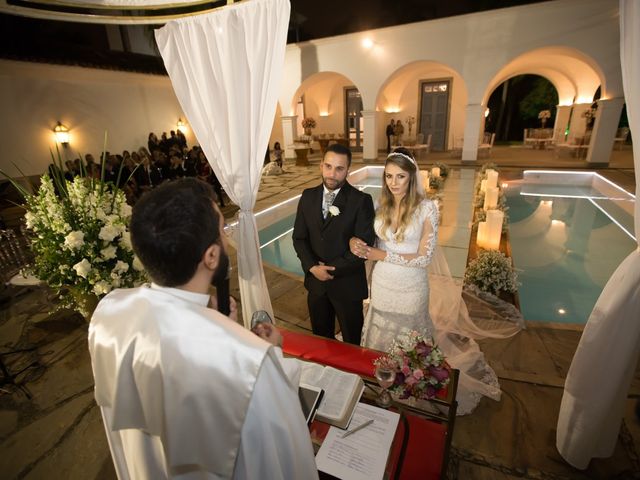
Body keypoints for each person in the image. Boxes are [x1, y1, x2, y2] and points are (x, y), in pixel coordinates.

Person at [88, 178, 318, 479]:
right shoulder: (250, 363)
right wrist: (269, 351)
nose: (226, 238)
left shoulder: (109, 315)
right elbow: (283, 456)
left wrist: (222, 327)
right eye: (223, 231)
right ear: (211, 256)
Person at [350, 149, 520, 414]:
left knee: (407, 340)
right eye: (389, 176)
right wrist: (356, 243)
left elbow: (423, 257)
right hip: (382, 284)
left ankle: (409, 388)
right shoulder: (379, 205)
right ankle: (380, 383)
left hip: (410, 287)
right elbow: (370, 239)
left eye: (401, 177)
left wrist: (380, 254)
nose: (394, 183)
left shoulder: (427, 209)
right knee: (379, 332)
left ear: (412, 177)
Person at [292, 143, 375, 345]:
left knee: (352, 342)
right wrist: (312, 267)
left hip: (347, 286)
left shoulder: (361, 201)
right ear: (321, 166)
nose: (332, 174)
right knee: (321, 341)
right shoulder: (307, 196)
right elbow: (299, 238)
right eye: (328, 166)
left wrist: (329, 269)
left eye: (339, 169)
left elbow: (363, 247)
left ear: (348, 170)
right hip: (316, 285)